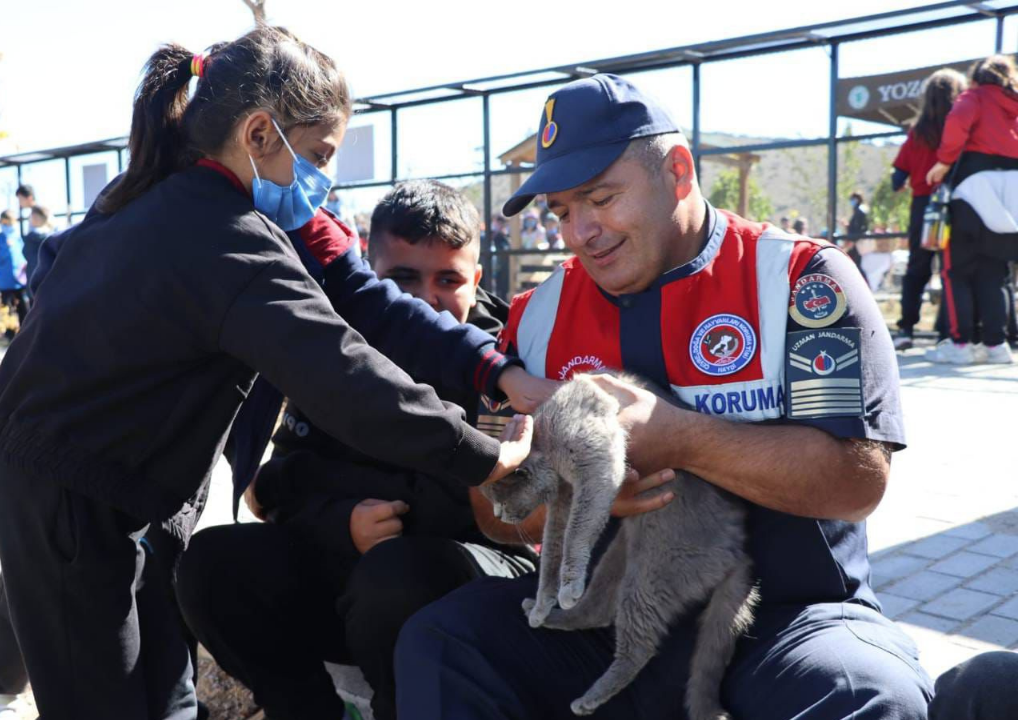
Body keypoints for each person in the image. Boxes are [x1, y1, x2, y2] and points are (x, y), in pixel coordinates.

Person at [0, 28, 535, 720]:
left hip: (103, 486)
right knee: (107, 700)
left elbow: (364, 301)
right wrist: (484, 457)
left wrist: (493, 369)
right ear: (261, 134)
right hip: (68, 493)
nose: (324, 180)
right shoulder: (227, 237)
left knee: (162, 693)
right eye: (321, 154)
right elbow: (344, 373)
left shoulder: (156, 197)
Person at [394, 74, 932, 720]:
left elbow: (856, 482)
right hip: (605, 624)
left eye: (600, 198)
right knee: (444, 641)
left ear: (678, 171)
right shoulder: (534, 318)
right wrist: (579, 492)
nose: (581, 231)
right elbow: (492, 511)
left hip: (791, 620)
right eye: (562, 211)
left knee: (868, 692)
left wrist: (680, 436)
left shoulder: (802, 279)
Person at [176, 181, 572, 720]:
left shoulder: (508, 368)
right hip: (355, 576)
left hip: (470, 579)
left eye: (448, 280)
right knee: (212, 564)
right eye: (402, 279)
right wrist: (341, 522)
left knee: (398, 572)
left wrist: (366, 502)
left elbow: (503, 510)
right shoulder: (337, 353)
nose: (425, 299)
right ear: (369, 278)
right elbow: (279, 485)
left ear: (476, 280)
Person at [925, 55, 1018, 365]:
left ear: (976, 78)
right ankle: (997, 346)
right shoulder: (1014, 102)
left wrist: (944, 161)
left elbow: (958, 123)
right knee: (996, 272)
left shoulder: (974, 96)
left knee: (956, 271)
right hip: (1012, 191)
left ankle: (960, 345)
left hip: (974, 185)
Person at [893, 69, 967, 351]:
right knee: (952, 268)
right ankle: (948, 332)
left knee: (917, 268)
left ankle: (907, 329)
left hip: (923, 207)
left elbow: (897, 178)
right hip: (957, 204)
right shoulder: (961, 129)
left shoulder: (917, 133)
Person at [0, 209, 28, 338]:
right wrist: (7, 248)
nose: (8, 226)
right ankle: (10, 335)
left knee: (24, 307)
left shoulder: (18, 238)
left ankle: (25, 332)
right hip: (5, 281)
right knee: (7, 309)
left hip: (20, 280)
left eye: (10, 223)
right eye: (5, 223)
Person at [20, 203, 53, 272]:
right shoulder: (53, 236)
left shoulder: (32, 237)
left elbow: (26, 253)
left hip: (35, 274)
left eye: (33, 217)